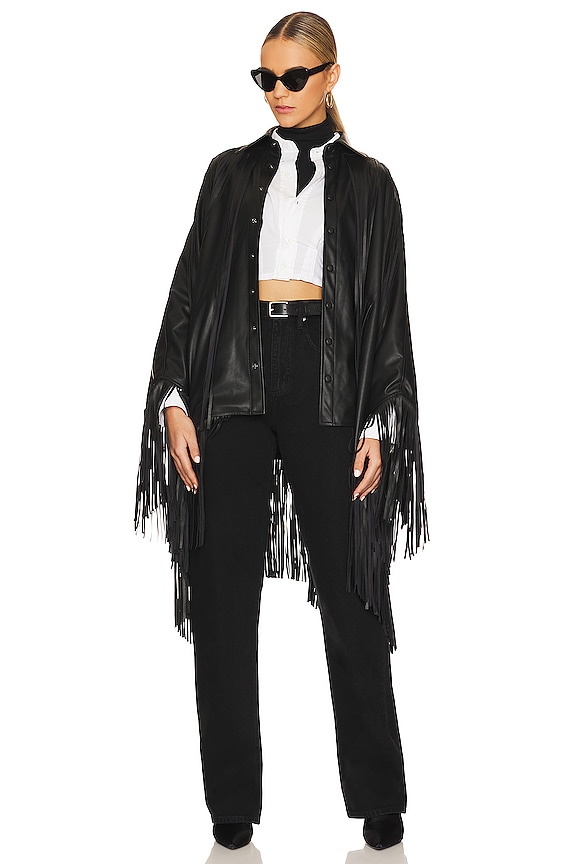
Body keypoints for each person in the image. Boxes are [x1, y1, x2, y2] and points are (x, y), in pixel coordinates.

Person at [135, 11, 428, 853]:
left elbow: (388, 310)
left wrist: (380, 418)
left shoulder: (370, 184)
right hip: (232, 376)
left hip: (327, 379)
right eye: (265, 77)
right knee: (222, 596)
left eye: (294, 76)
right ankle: (231, 804)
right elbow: (189, 288)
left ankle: (378, 796)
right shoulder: (229, 174)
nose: (277, 92)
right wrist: (173, 397)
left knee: (354, 591)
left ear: (331, 76)